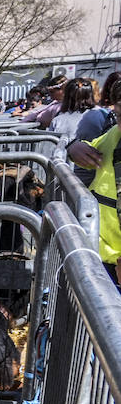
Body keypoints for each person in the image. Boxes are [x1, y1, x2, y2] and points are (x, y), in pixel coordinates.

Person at [68, 79, 121, 289]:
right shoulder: (113, 136)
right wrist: (74, 147)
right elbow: (86, 150)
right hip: (102, 257)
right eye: (119, 115)